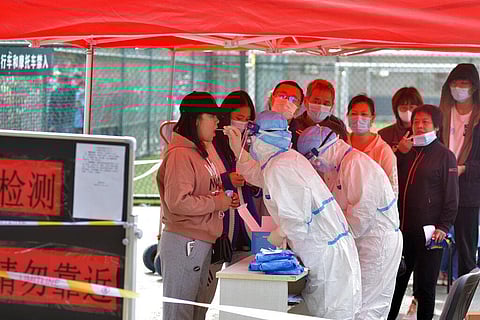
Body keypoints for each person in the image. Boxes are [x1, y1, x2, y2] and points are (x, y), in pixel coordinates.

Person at [224, 111, 362, 319]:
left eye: (252, 137)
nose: (250, 142)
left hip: (326, 258)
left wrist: (277, 236)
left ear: (262, 137)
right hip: (330, 252)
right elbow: (261, 176)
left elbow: (296, 220)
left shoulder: (280, 167)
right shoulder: (286, 159)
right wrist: (238, 151)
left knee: (330, 313)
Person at [297, 124, 402, 320]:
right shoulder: (338, 166)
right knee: (356, 302)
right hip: (362, 242)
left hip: (377, 242)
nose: (315, 165)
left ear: (323, 150)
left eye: (313, 160)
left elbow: (360, 218)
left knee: (369, 307)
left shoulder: (356, 164)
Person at [156, 91, 240, 320]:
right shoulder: (181, 155)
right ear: (195, 120)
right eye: (211, 116)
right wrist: (217, 202)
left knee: (195, 312)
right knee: (180, 313)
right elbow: (178, 202)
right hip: (185, 242)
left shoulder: (199, 152)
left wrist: (222, 199)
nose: (217, 122)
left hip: (199, 242)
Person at [388, 104, 459, 320]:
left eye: (425, 122)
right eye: (416, 121)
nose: (419, 125)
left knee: (427, 286)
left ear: (436, 126)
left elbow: (452, 196)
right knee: (396, 283)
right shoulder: (406, 150)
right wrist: (399, 153)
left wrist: (443, 226)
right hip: (403, 231)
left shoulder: (445, 155)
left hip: (431, 233)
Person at [439, 63, 480, 278]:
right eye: (455, 83)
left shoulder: (477, 117)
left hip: (468, 192)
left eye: (464, 84)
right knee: (432, 244)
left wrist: (465, 168)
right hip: (441, 187)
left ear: (474, 87)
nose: (458, 88)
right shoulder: (443, 113)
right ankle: (421, 298)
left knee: (466, 249)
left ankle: (467, 302)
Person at [347, 94, 399, 195]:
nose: (358, 118)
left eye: (364, 114)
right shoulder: (342, 145)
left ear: (373, 118)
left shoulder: (383, 151)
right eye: (354, 114)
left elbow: (392, 190)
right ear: (347, 116)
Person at [289, 79, 336, 149]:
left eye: (326, 103)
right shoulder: (293, 127)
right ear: (305, 101)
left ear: (332, 106)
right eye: (316, 102)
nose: (320, 106)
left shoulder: (337, 130)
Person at [378, 87, 424, 153]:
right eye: (403, 108)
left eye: (412, 107)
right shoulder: (384, 134)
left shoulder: (425, 133)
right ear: (396, 109)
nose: (408, 111)